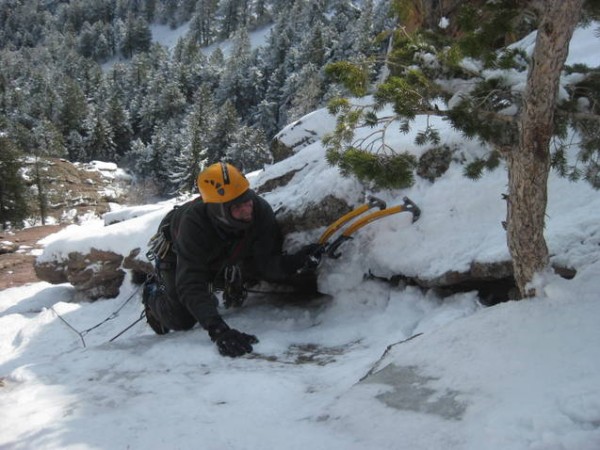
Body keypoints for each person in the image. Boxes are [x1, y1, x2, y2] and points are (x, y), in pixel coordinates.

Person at [143, 162, 320, 358]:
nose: (247, 210)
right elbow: (190, 283)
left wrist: (297, 262)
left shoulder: (258, 210)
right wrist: (218, 330)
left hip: (223, 251)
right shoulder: (194, 225)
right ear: (218, 209)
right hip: (177, 254)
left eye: (247, 201)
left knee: (248, 275)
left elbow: (266, 263)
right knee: (181, 320)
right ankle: (152, 293)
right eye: (237, 207)